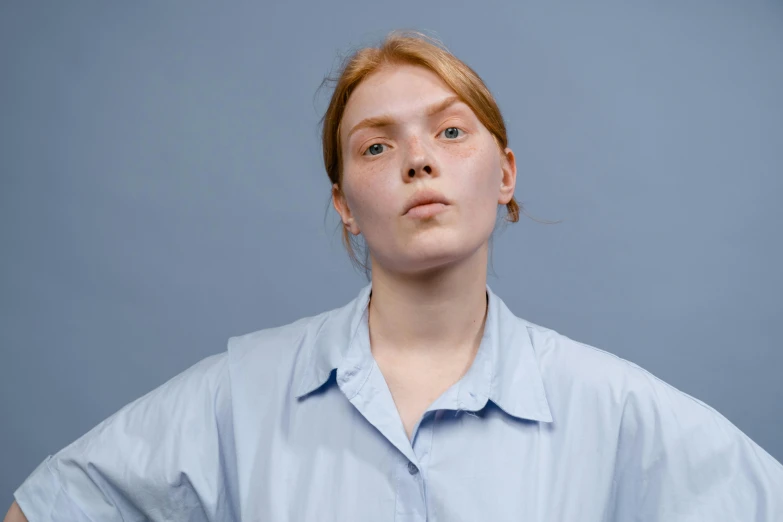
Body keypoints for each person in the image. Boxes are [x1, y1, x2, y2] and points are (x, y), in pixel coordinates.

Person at [5, 30, 783, 522]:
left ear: (504, 174)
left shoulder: (613, 408)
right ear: (344, 205)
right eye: (376, 146)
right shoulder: (238, 396)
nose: (418, 157)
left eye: (450, 130)